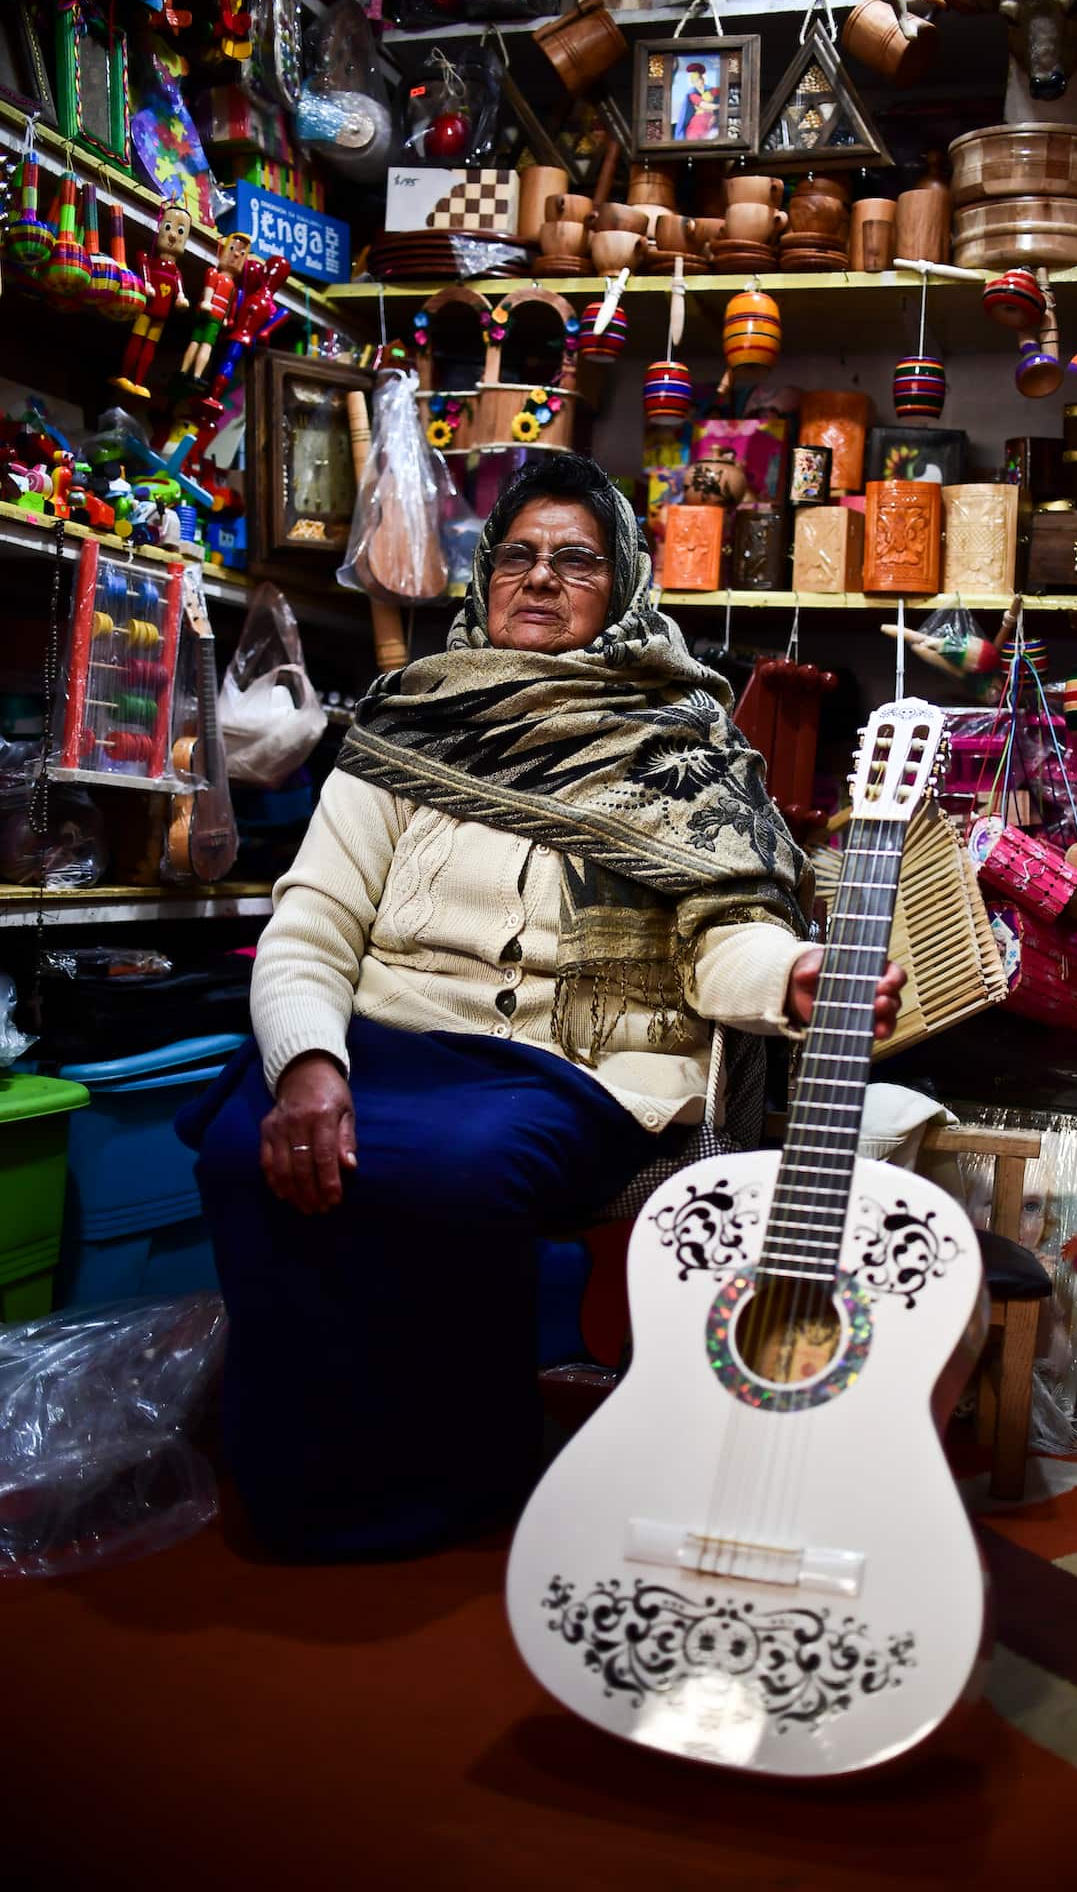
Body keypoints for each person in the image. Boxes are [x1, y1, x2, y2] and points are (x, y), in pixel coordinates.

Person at [184, 452, 904, 1561]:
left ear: (621, 586)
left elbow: (724, 942)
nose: (538, 577)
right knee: (246, 1148)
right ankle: (307, 1479)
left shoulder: (685, 751)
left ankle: (457, 1474)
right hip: (387, 1041)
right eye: (516, 555)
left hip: (578, 1068)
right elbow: (313, 920)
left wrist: (790, 979)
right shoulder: (410, 724)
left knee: (454, 1168)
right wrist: (308, 1068)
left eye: (575, 559)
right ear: (484, 582)